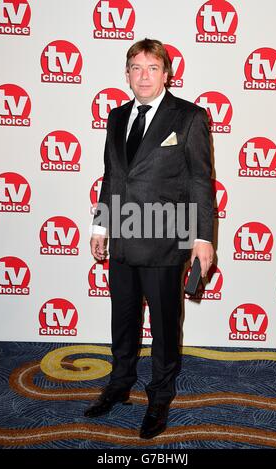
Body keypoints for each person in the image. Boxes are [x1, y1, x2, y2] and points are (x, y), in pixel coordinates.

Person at [84, 38, 214, 439]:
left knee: (163, 324)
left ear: (166, 74)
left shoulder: (189, 116)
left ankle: (160, 396)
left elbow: (199, 181)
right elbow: (113, 175)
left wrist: (203, 239)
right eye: (136, 68)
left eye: (152, 68)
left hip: (164, 238)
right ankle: (120, 383)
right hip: (122, 236)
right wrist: (100, 226)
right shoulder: (116, 116)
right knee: (122, 321)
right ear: (127, 75)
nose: (144, 76)